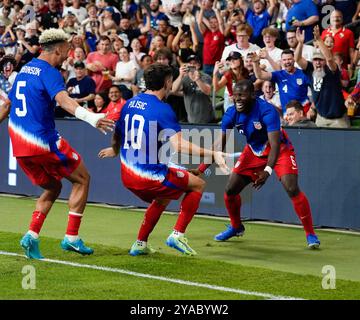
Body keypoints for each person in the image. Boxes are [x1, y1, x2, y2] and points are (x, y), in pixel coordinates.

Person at [98, 63, 229, 256]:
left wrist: (115, 150)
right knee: (199, 184)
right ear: (167, 82)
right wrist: (213, 153)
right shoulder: (163, 109)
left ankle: (140, 244)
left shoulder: (130, 103)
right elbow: (180, 146)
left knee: (164, 196)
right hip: (149, 176)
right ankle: (177, 235)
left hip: (127, 175)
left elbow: (117, 132)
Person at [7, 29, 114, 259]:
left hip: (18, 144)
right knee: (83, 179)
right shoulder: (50, 72)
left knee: (53, 187)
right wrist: (92, 117)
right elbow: (64, 100)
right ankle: (72, 238)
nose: (68, 55)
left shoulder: (24, 70)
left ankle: (31, 236)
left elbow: (7, 105)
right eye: (66, 50)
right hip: (42, 140)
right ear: (57, 49)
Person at [194, 80, 320, 249]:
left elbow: (274, 144)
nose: (237, 99)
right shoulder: (231, 113)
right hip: (253, 151)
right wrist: (200, 170)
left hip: (280, 150)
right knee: (230, 190)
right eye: (235, 95)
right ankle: (236, 226)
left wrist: (267, 171)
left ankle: (310, 233)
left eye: (242, 95)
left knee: (291, 187)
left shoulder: (267, 111)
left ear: (253, 95)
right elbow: (219, 146)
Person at [295, 26, 350, 128]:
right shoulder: (310, 69)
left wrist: (319, 39)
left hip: (338, 119)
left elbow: (329, 58)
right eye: (315, 60)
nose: (318, 62)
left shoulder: (331, 70)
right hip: (321, 118)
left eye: (320, 60)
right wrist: (300, 43)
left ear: (324, 62)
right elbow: (297, 59)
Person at [252, 49, 310, 117]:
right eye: (284, 60)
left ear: (294, 59)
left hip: (303, 113)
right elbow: (260, 75)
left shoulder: (303, 74)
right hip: (287, 116)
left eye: (289, 59)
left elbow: (315, 89)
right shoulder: (279, 75)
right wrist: (255, 63)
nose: (287, 62)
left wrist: (312, 108)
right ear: (281, 61)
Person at [172, 54, 214, 123]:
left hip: (207, 119)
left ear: (199, 65)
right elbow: (174, 89)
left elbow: (208, 91)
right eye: (190, 63)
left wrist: (197, 79)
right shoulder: (184, 78)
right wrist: (180, 75)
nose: (192, 65)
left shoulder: (205, 77)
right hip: (191, 119)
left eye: (194, 63)